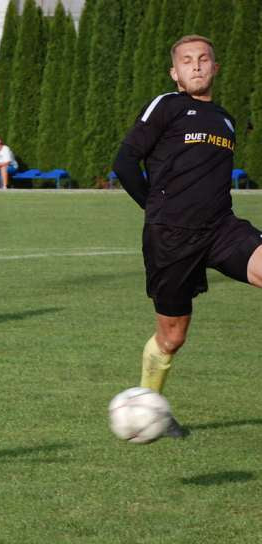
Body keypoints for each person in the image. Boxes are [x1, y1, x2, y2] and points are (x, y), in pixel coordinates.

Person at [112, 35, 258, 438]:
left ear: (215, 68)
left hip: (222, 229)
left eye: (204, 59)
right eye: (187, 61)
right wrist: (156, 210)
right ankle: (148, 402)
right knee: (172, 337)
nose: (196, 65)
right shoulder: (168, 106)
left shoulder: (225, 119)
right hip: (171, 237)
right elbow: (125, 163)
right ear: (175, 73)